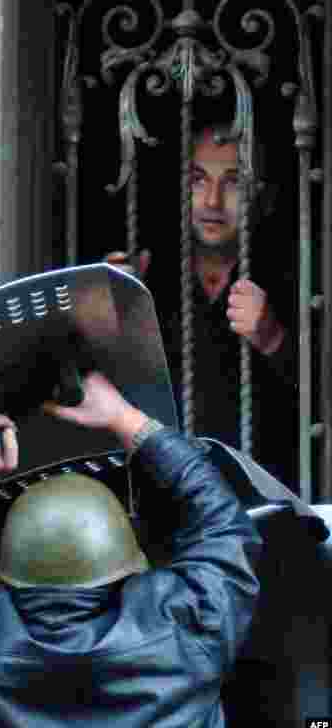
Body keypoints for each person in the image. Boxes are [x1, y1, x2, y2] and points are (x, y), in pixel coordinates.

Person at [0, 371, 261, 728]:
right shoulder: (191, 623)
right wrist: (124, 418)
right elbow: (224, 524)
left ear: (5, 569)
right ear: (129, 560)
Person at [105, 123, 297, 486]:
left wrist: (275, 340)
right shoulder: (152, 276)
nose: (212, 201)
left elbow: (317, 401)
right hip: (165, 496)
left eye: (233, 182)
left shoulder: (289, 277)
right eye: (198, 180)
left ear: (264, 194)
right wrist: (106, 313)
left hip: (267, 495)